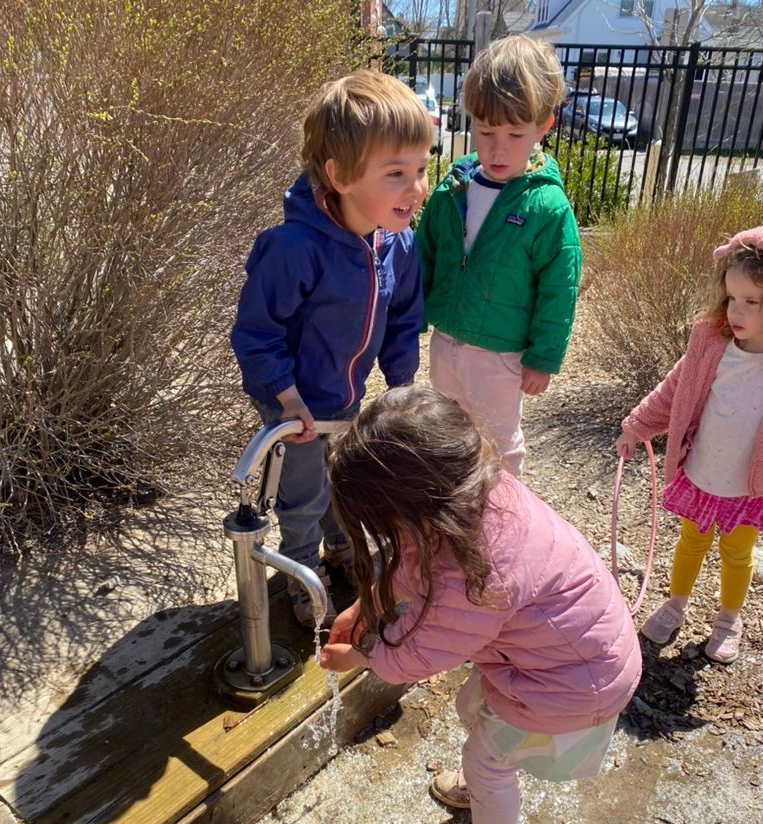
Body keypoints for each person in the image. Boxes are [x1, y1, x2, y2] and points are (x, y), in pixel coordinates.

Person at [320, 387, 641, 824]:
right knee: (473, 706)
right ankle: (484, 784)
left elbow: (419, 657)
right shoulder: (476, 494)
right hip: (564, 659)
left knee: (488, 755)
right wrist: (368, 607)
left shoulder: (479, 577)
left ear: (416, 505)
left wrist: (363, 655)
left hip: (574, 685)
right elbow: (412, 559)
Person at [230, 70, 432, 626]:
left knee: (343, 478)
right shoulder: (294, 248)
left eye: (420, 169)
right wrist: (287, 399)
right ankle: (300, 572)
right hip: (291, 399)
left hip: (345, 398)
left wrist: (401, 385)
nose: (415, 188)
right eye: (395, 174)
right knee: (303, 492)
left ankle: (341, 548)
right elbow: (256, 334)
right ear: (340, 174)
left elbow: (402, 318)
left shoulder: (396, 242)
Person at [415, 35, 582, 478]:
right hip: (446, 343)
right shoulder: (455, 186)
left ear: (544, 125)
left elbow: (559, 287)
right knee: (449, 434)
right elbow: (426, 253)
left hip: (499, 354)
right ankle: (457, 510)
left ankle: (506, 521)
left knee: (499, 442)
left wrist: (544, 358)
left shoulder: (547, 206)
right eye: (486, 131)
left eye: (514, 134)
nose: (497, 147)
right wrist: (410, 316)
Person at [616, 226, 763, 664]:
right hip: (701, 472)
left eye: (751, 301)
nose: (735, 311)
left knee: (737, 553)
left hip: (747, 485)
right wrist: (638, 425)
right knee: (691, 542)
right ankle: (676, 603)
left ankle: (728, 619)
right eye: (731, 298)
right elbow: (673, 390)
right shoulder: (710, 342)